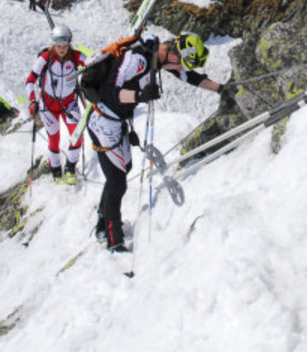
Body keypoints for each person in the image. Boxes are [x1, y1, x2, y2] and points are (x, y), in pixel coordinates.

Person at [84, 32, 224, 252]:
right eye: (179, 62)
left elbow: (188, 76)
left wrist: (221, 89)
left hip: (117, 121)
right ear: (172, 51)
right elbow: (110, 93)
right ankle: (113, 238)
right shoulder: (138, 60)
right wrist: (139, 96)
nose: (178, 67)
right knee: (117, 180)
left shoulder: (160, 57)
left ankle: (104, 218)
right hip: (104, 122)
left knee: (121, 171)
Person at [25, 24, 87, 184]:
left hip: (69, 105)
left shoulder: (75, 56)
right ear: (54, 43)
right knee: (54, 139)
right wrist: (32, 100)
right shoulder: (46, 57)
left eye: (65, 45)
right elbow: (30, 80)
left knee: (77, 136)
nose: (61, 49)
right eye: (58, 45)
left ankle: (70, 169)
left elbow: (93, 64)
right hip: (48, 106)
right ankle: (56, 170)